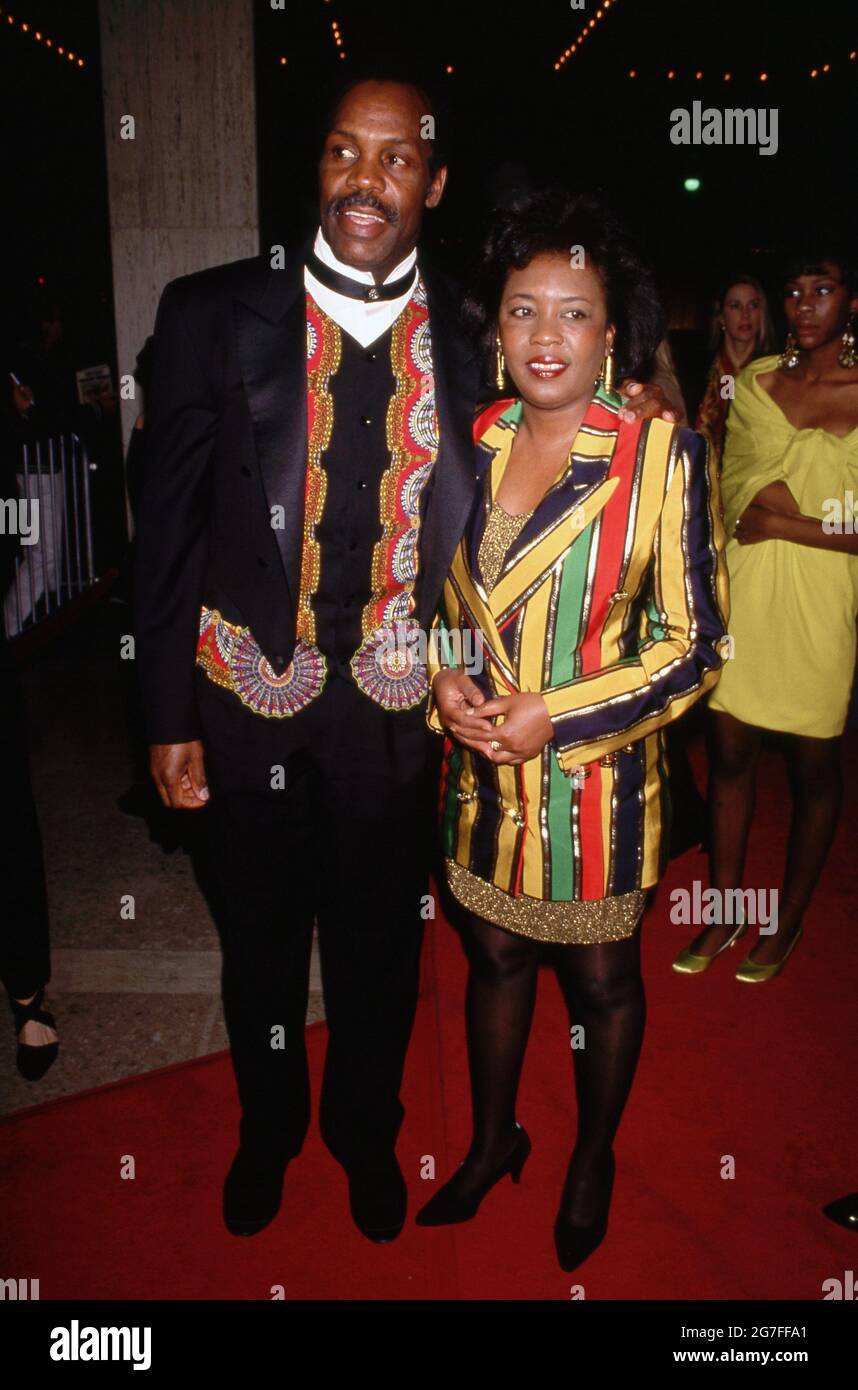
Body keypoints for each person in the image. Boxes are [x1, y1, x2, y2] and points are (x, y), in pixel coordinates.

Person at [134, 70, 678, 1244]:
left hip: (397, 700)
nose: (364, 179)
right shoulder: (210, 312)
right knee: (261, 941)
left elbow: (505, 502)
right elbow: (165, 528)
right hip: (244, 694)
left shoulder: (481, 332)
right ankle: (269, 1129)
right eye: (342, 152)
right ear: (317, 170)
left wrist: (634, 410)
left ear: (431, 183)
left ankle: (365, 1133)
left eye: (394, 159)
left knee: (382, 943)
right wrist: (165, 713)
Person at [416, 190, 729, 1270]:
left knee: (601, 982)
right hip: (479, 785)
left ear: (613, 334)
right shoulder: (467, 443)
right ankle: (497, 1138)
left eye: (574, 312)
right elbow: (439, 609)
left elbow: (697, 647)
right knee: (492, 957)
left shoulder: (661, 457)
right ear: (494, 329)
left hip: (595, 787)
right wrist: (443, 683)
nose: (546, 335)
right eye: (522, 310)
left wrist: (560, 714)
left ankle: (590, 1155)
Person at [675, 247, 858, 983]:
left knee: (815, 765)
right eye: (794, 291)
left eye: (822, 289)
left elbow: (772, 513)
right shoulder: (754, 382)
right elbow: (735, 500)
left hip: (823, 601)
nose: (804, 303)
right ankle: (724, 909)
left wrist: (790, 523)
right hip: (747, 593)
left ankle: (789, 916)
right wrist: (792, 516)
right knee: (729, 756)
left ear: (850, 301)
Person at [695, 273, 776, 459]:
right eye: (735, 306)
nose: (745, 315)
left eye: (753, 306)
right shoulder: (696, 370)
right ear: (721, 317)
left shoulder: (774, 371)